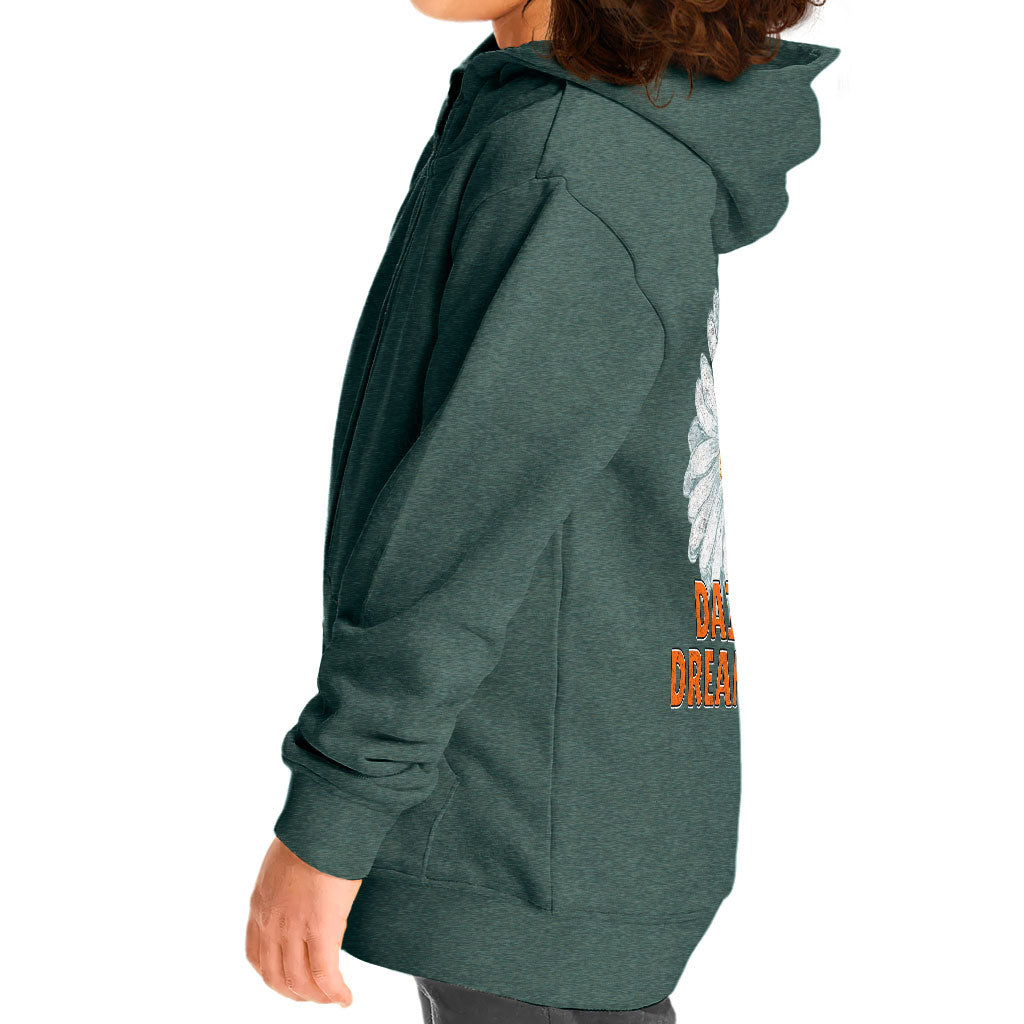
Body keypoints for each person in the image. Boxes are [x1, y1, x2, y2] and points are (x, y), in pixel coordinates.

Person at [245, 1, 838, 1020]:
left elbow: (464, 523)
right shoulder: (561, 119)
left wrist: (339, 804)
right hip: (565, 781)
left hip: (524, 812)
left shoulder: (573, 159)